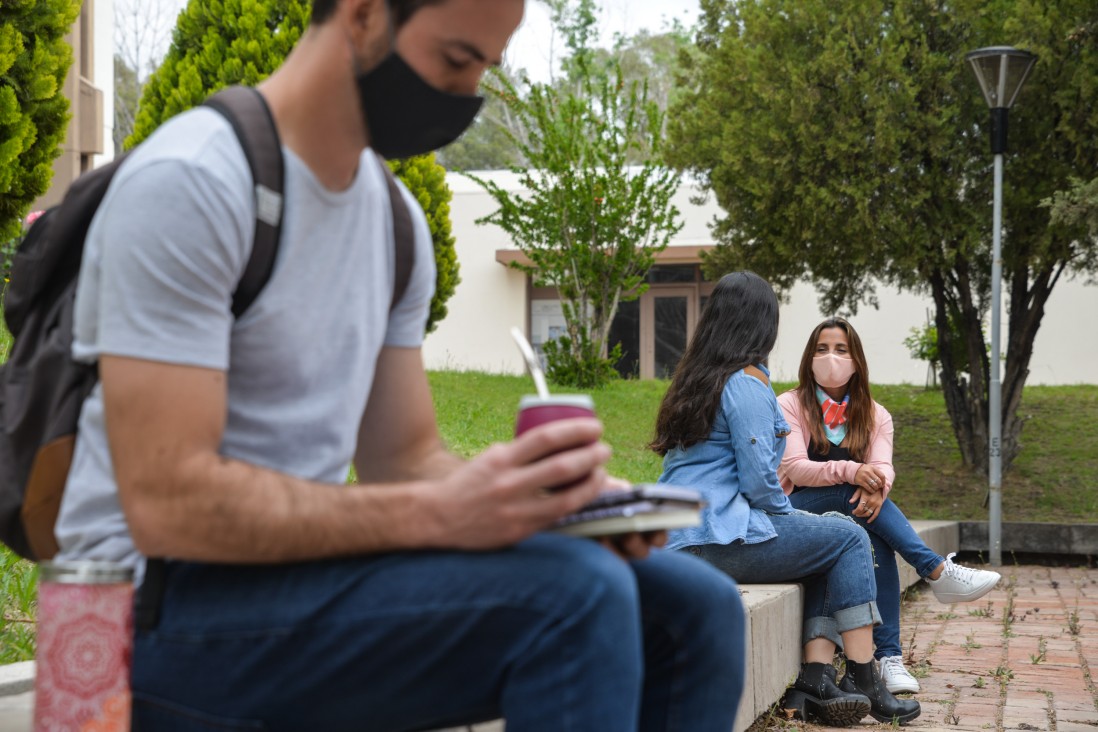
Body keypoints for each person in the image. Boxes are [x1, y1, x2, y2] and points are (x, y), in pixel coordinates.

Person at [52, 1, 746, 729]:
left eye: (485, 68)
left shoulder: (391, 222)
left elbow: (406, 460)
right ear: (361, 14)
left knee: (694, 608)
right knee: (573, 596)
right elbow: (169, 504)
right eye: (454, 61)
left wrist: (545, 505)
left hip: (280, 586)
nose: (466, 95)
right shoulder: (193, 182)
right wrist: (448, 512)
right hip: (124, 614)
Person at [650, 272, 920, 727]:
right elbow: (759, 480)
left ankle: (814, 678)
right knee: (848, 538)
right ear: (763, 325)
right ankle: (864, 678)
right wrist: (788, 517)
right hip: (716, 536)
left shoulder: (697, 379)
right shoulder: (747, 383)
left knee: (821, 545)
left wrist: (802, 530)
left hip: (680, 534)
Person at [777, 317, 1001, 693]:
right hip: (798, 513)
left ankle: (890, 659)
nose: (830, 357)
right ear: (808, 357)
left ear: (857, 359)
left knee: (875, 536)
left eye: (841, 349)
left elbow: (883, 467)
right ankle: (933, 570)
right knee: (846, 494)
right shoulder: (790, 404)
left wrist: (878, 488)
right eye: (821, 349)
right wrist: (854, 470)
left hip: (853, 515)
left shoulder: (875, 414)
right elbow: (796, 469)